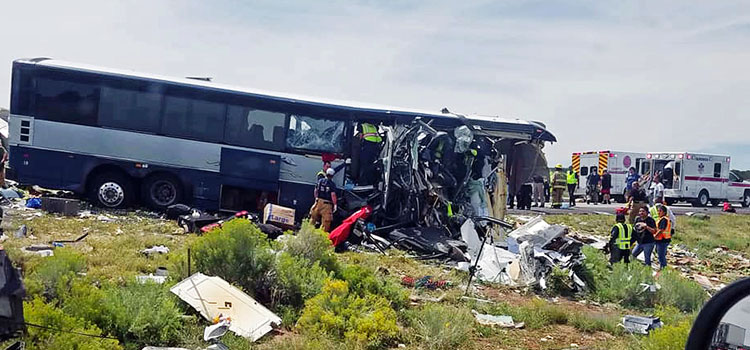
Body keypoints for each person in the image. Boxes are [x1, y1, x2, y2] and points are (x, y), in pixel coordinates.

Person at [310, 168, 338, 232]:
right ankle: (321, 236)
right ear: (332, 175)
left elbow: (316, 190)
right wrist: (335, 204)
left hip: (318, 202)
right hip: (327, 204)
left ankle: (308, 233)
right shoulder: (332, 184)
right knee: (326, 222)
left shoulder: (320, 181)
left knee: (312, 219)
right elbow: (333, 195)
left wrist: (316, 199)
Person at [654, 204, 672, 269]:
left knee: (661, 256)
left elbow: (661, 229)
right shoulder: (663, 219)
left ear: (664, 212)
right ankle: (663, 267)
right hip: (663, 239)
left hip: (662, 240)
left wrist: (654, 236)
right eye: (658, 211)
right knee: (660, 254)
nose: (658, 212)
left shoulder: (664, 219)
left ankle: (663, 268)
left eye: (660, 211)